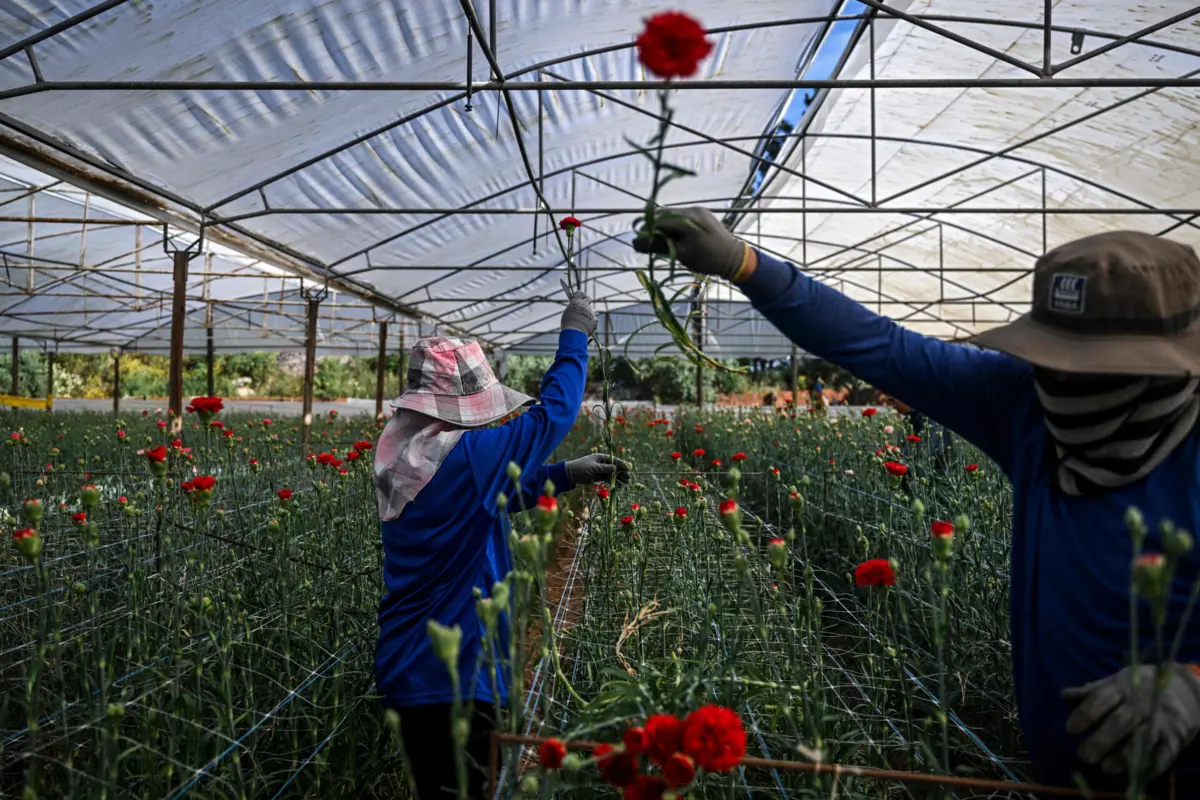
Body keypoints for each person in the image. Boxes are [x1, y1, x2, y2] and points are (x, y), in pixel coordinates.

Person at [636, 209, 1200, 792]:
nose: (1060, 383)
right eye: (1052, 360)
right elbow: (880, 346)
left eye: (1089, 369)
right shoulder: (1021, 404)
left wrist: (1192, 684)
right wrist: (743, 264)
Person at [373, 283, 629, 800]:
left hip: (407, 668)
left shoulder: (410, 456)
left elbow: (482, 500)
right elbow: (553, 414)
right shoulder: (466, 457)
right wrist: (573, 335)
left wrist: (562, 475)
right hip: (458, 676)